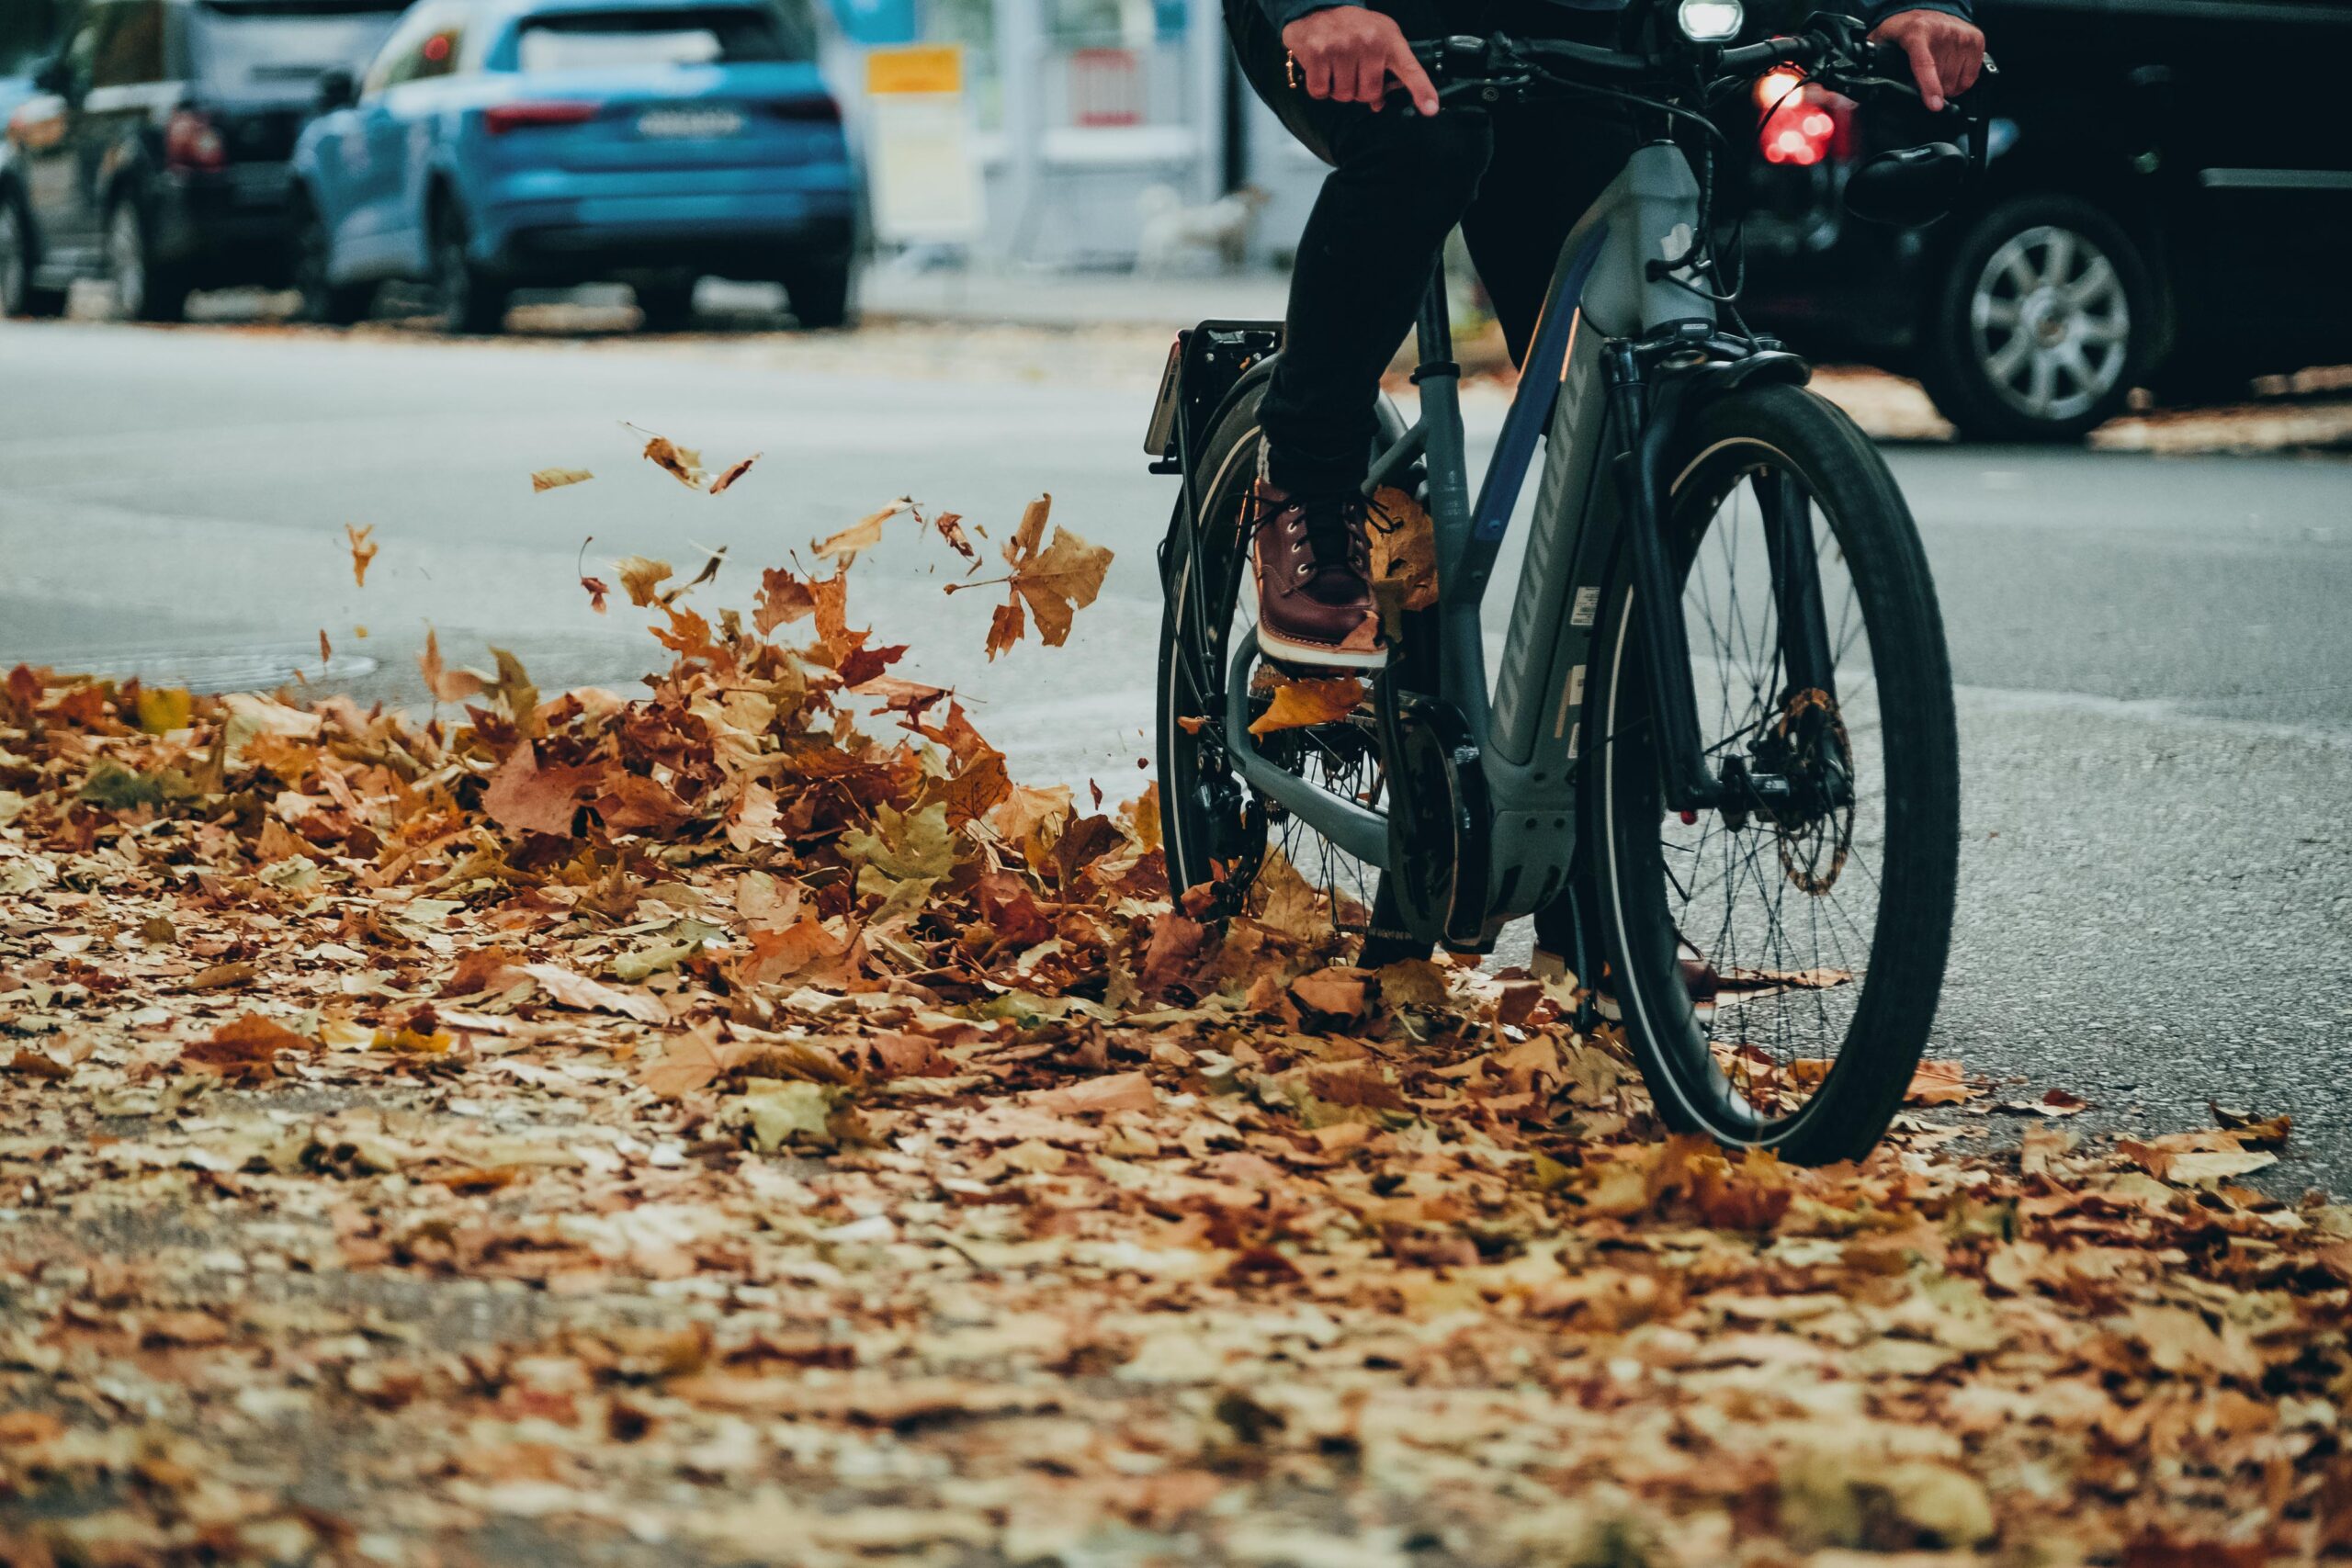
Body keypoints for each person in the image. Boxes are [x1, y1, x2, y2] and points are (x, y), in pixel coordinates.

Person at [1231, 0, 1984, 666]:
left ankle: (1595, 731)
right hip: (1381, 15)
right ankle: (1307, 473)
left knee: (1629, 406)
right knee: (1425, 145)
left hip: (1581, 21)